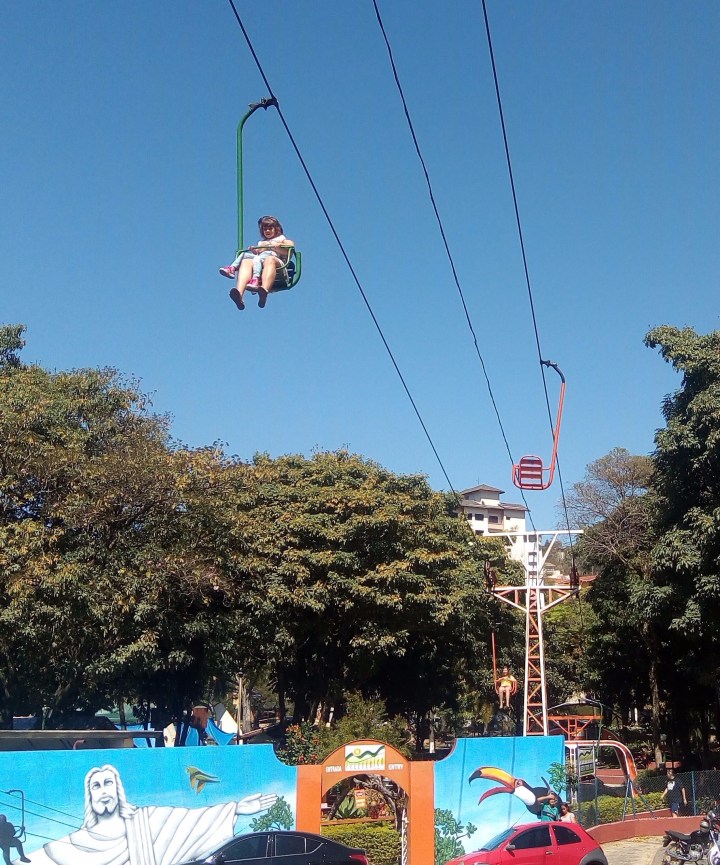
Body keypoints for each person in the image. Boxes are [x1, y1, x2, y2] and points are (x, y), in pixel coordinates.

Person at [25, 763, 277, 865]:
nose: (104, 791)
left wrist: (235, 808)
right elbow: (45, 855)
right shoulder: (76, 842)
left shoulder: (145, 820)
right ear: (89, 795)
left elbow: (188, 820)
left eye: (109, 783)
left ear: (119, 790)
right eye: (96, 785)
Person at [219, 216, 295, 311]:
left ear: (276, 229)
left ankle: (264, 290)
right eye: (265, 229)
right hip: (260, 265)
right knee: (246, 261)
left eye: (270, 228)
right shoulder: (262, 243)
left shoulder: (281, 239)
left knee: (269, 259)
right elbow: (258, 255)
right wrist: (255, 250)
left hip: (277, 265)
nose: (267, 231)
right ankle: (239, 294)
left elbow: (290, 246)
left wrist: (276, 246)